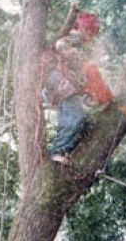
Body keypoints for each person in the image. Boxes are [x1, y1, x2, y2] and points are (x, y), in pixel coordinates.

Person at [43, 12, 112, 163]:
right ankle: (57, 151)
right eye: (89, 31)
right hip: (59, 83)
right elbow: (61, 45)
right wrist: (82, 62)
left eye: (93, 32)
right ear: (82, 28)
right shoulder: (74, 36)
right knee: (76, 118)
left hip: (63, 85)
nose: (91, 35)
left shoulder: (81, 43)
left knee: (85, 123)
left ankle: (67, 153)